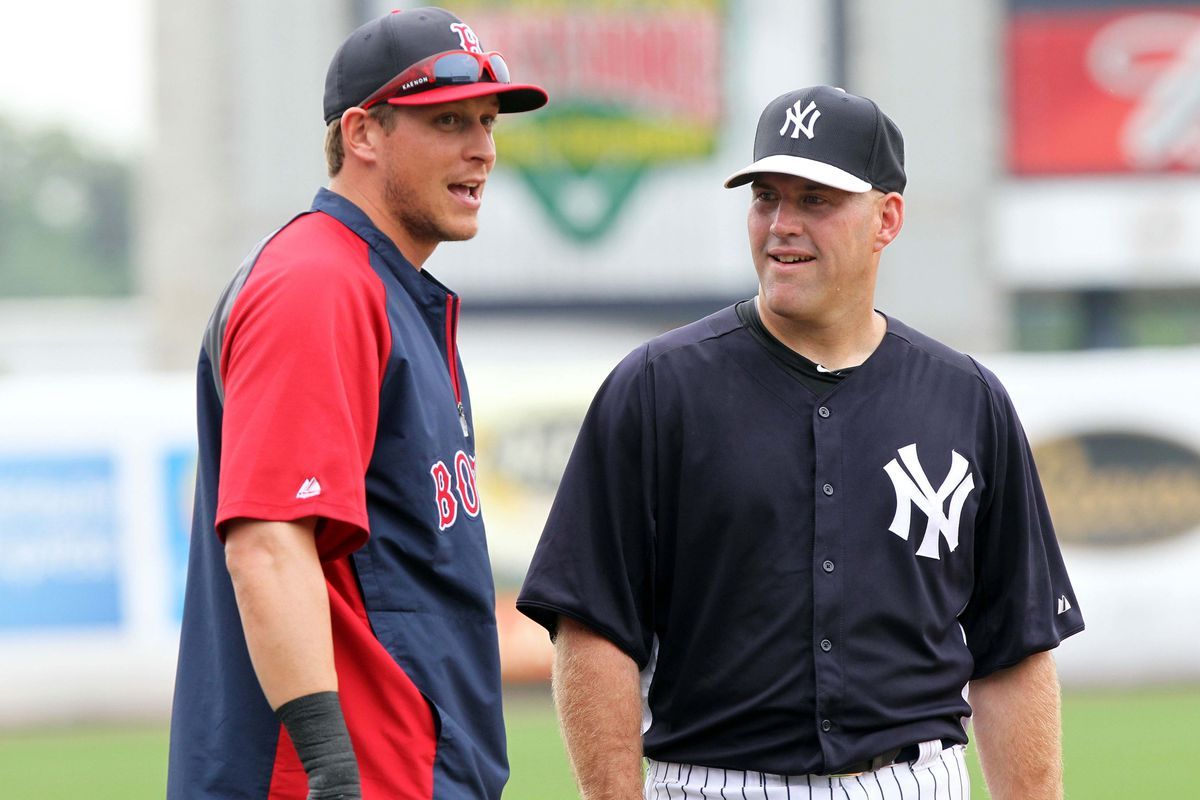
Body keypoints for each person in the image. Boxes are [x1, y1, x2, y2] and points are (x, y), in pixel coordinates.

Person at [517, 85, 1083, 800]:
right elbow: (592, 627)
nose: (782, 224)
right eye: (766, 198)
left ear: (887, 219)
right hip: (710, 784)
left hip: (913, 781)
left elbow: (1013, 648)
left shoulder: (966, 399)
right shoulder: (658, 388)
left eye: (816, 200)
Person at [166, 8, 546, 799]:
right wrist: (333, 770)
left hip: (410, 770)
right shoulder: (318, 281)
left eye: (486, 120)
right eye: (447, 120)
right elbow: (267, 543)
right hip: (349, 780)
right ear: (363, 133)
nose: (482, 147)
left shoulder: (380, 286)